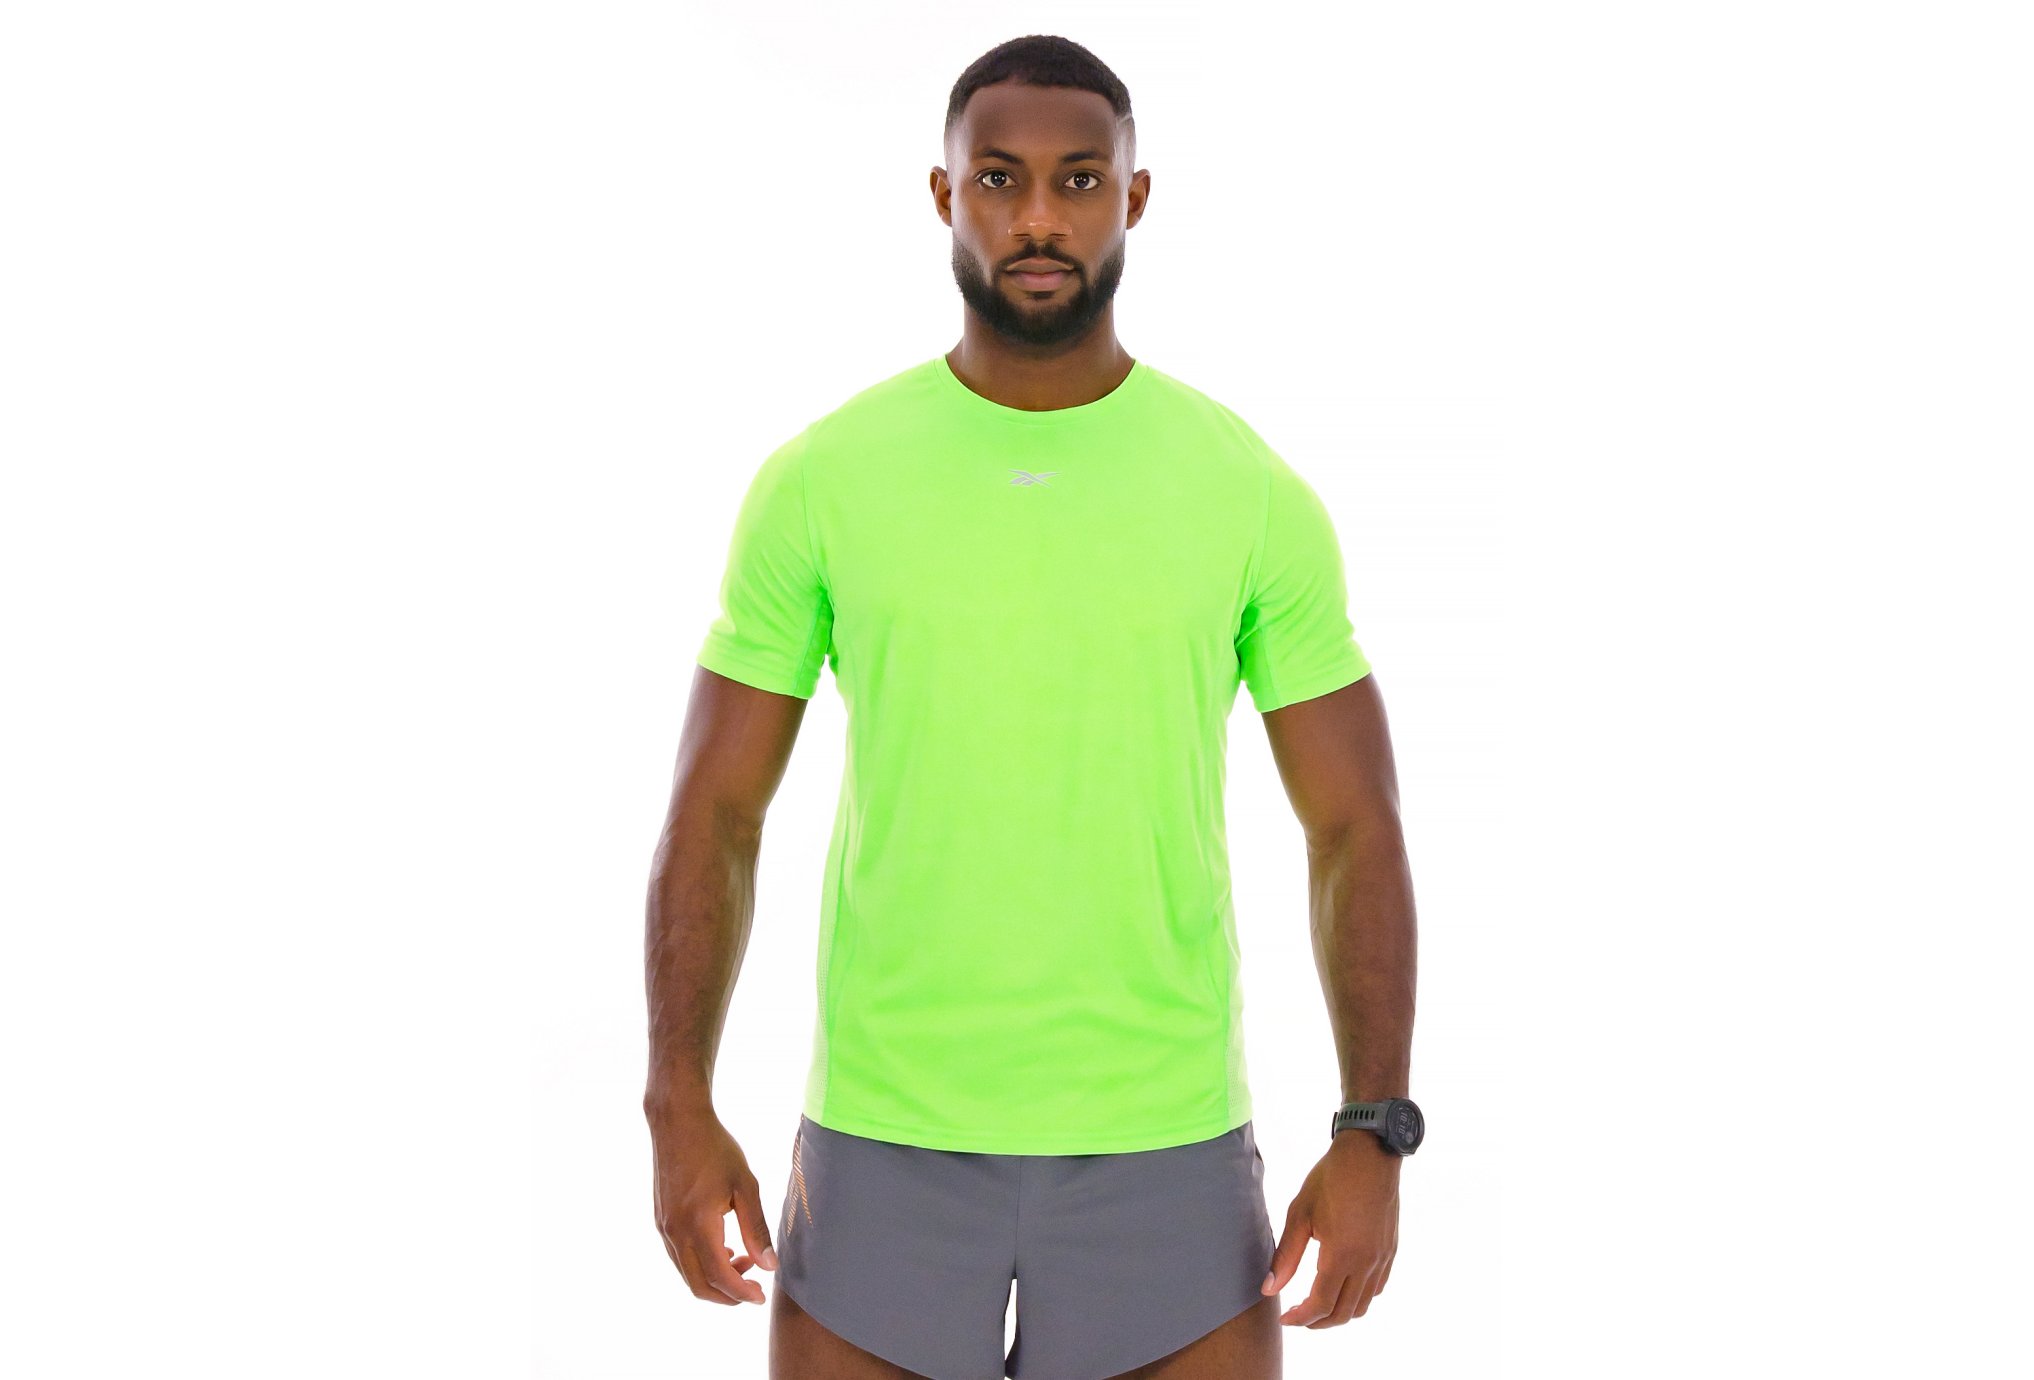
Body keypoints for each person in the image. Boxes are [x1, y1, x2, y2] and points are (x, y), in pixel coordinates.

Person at [643, 34, 1419, 1380]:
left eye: (1079, 179)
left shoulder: (1244, 490)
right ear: (944, 195)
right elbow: (715, 811)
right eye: (999, 179)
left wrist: (1374, 1131)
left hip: (1165, 1144)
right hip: (883, 1140)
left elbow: (1354, 823)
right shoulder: (823, 479)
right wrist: (676, 1103)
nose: (1040, 216)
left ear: (1134, 197)